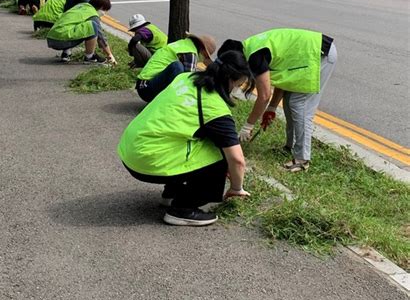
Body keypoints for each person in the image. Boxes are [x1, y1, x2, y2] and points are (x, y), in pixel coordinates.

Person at [118, 50, 254, 226]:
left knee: (189, 138)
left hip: (131, 148)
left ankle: (171, 193)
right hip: (147, 159)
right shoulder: (215, 108)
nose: (236, 90)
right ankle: (183, 209)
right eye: (238, 85)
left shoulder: (186, 78)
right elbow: (237, 160)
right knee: (220, 152)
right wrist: (237, 189)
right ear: (230, 79)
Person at [218, 28, 337, 172]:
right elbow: (283, 77)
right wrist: (272, 108)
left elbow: (264, 96)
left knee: (300, 106)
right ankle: (290, 147)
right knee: (290, 102)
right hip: (312, 54)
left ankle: (302, 160)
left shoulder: (255, 56)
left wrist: (248, 126)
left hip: (319, 55)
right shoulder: (252, 47)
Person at [135, 34, 216, 103]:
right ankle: (170, 102)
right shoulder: (190, 53)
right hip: (147, 88)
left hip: (143, 85)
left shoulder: (183, 44)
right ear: (202, 49)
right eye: (205, 56)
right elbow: (189, 82)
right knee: (177, 67)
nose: (203, 60)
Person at [46, 0, 117, 64]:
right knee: (92, 26)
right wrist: (109, 55)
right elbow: (101, 37)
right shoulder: (92, 14)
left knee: (73, 27)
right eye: (105, 10)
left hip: (51, 39)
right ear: (101, 7)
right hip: (62, 41)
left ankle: (66, 53)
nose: (104, 13)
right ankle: (90, 57)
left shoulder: (80, 7)